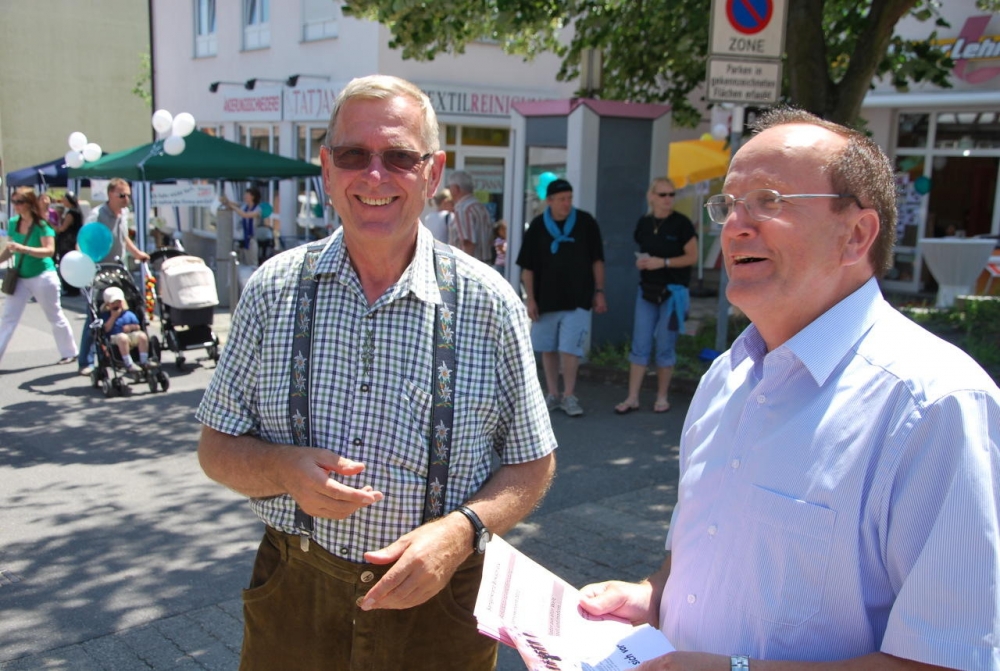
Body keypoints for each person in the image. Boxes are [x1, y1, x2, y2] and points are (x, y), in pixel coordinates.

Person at [579, 109, 1000, 669]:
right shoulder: (726, 376)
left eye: (769, 200)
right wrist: (652, 597)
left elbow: (949, 661)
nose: (735, 225)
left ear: (856, 235)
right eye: (729, 203)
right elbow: (703, 558)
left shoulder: (935, 407)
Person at [195, 74, 557, 671]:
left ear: (432, 173)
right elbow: (215, 448)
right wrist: (281, 469)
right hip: (296, 593)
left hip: (442, 602)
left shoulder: (490, 304)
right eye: (353, 155)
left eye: (399, 157)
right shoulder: (272, 290)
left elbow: (532, 463)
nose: (374, 175)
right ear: (326, 169)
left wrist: (459, 532)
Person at [517, 178, 607, 417]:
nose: (567, 203)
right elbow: (527, 268)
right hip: (545, 300)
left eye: (569, 198)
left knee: (570, 349)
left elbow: (597, 260)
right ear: (549, 201)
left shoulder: (585, 222)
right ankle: (553, 393)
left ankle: (569, 395)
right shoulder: (538, 226)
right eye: (561, 199)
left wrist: (599, 291)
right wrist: (530, 299)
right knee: (547, 348)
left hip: (578, 298)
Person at [614, 178, 698, 415]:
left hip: (673, 293)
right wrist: (642, 262)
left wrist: (664, 262)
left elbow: (692, 257)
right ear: (651, 197)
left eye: (671, 194)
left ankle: (662, 396)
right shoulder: (644, 223)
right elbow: (645, 252)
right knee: (640, 343)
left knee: (665, 344)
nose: (668, 199)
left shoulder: (681, 223)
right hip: (647, 290)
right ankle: (632, 397)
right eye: (662, 195)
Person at [78, 178, 150, 376]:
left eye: (128, 195)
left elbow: (124, 237)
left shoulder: (123, 213)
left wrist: (137, 254)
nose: (126, 199)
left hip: (118, 270)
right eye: (122, 195)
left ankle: (125, 355)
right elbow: (84, 238)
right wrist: (83, 263)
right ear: (110, 194)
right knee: (94, 316)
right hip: (98, 270)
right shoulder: (97, 215)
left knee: (125, 307)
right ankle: (85, 361)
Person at [0, 188, 78, 367]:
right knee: (8, 319)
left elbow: (49, 251)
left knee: (54, 315)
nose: (16, 206)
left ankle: (70, 352)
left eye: (20, 202)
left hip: (43, 276)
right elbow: (10, 249)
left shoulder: (42, 225)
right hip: (20, 276)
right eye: (14, 202)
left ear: (30, 203)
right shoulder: (13, 222)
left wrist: (25, 249)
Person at [98, 286, 155, 373]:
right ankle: (129, 363)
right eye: (113, 303)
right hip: (114, 338)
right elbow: (105, 329)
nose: (116, 305)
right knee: (122, 338)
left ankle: (144, 361)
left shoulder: (129, 314)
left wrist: (131, 327)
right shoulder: (106, 315)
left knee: (142, 336)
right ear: (108, 305)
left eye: (118, 302)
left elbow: (138, 326)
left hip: (130, 336)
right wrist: (113, 317)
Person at [448, 170, 494, 263]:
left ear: (456, 188)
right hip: (485, 263)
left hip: (470, 265)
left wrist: (464, 266)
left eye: (450, 187)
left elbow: (468, 242)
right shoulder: (480, 206)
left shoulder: (463, 209)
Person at [222, 186, 262, 264]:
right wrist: (226, 201)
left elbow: (245, 215)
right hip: (243, 237)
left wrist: (234, 208)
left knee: (253, 261)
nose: (245, 196)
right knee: (244, 261)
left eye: (247, 195)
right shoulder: (244, 206)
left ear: (253, 197)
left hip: (252, 238)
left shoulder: (257, 209)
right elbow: (233, 204)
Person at [54, 191, 84, 296]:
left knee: (67, 265)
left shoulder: (71, 213)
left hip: (67, 243)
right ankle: (73, 288)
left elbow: (62, 228)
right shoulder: (77, 211)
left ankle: (70, 289)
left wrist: (51, 225)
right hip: (73, 242)